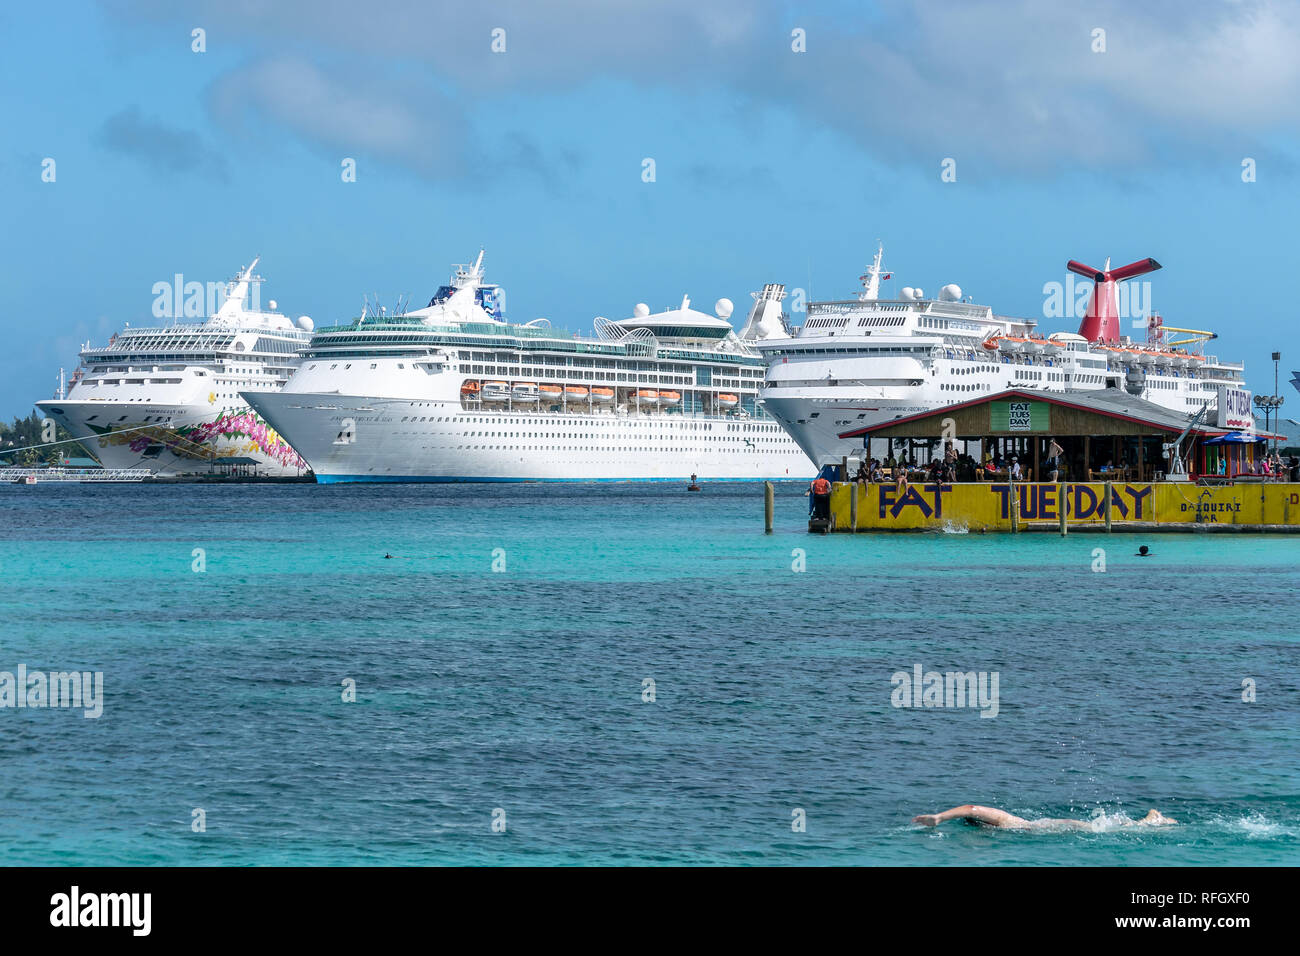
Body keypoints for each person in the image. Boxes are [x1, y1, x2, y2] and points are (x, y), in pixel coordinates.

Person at [911, 805, 1177, 830]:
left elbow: (971, 808)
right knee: (1105, 829)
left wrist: (939, 818)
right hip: (1052, 829)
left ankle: (1152, 820)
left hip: (1053, 828)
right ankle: (1149, 821)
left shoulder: (1005, 822)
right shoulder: (1001, 827)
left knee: (1104, 831)